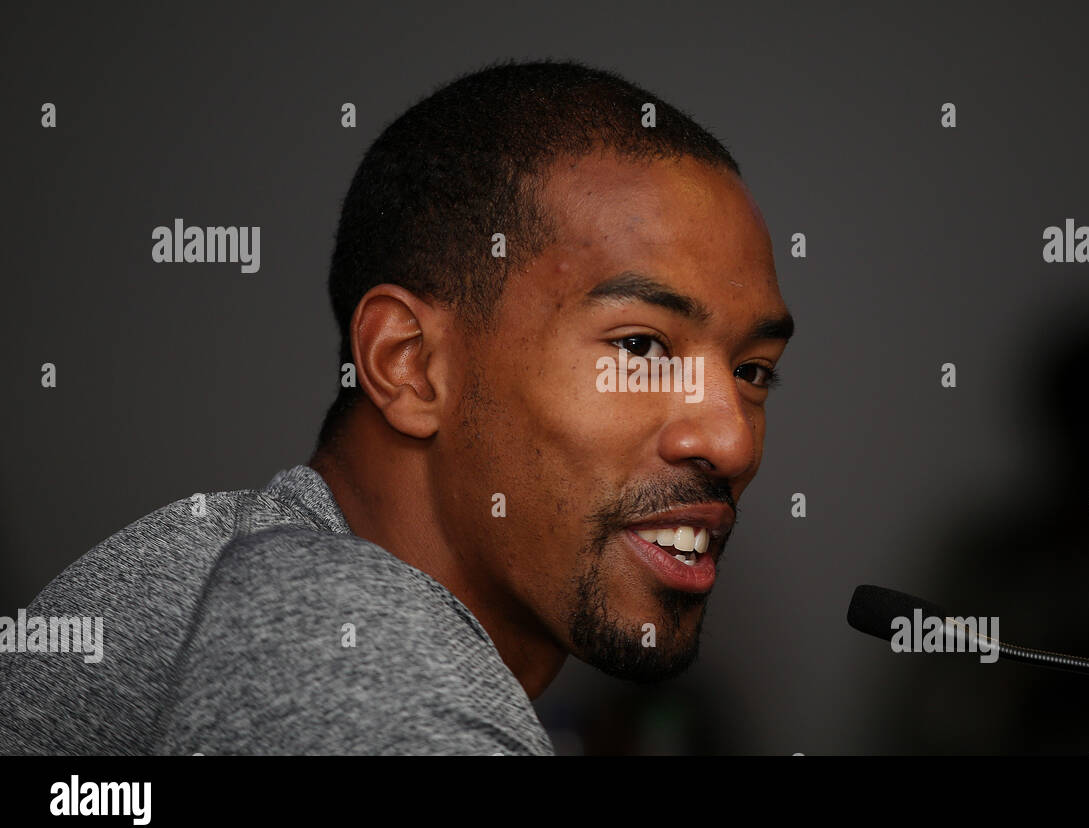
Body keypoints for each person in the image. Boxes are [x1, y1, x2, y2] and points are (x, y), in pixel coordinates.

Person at [0, 60, 793, 755]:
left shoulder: (244, 568)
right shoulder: (352, 655)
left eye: (755, 370)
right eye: (643, 348)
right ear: (408, 366)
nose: (729, 438)